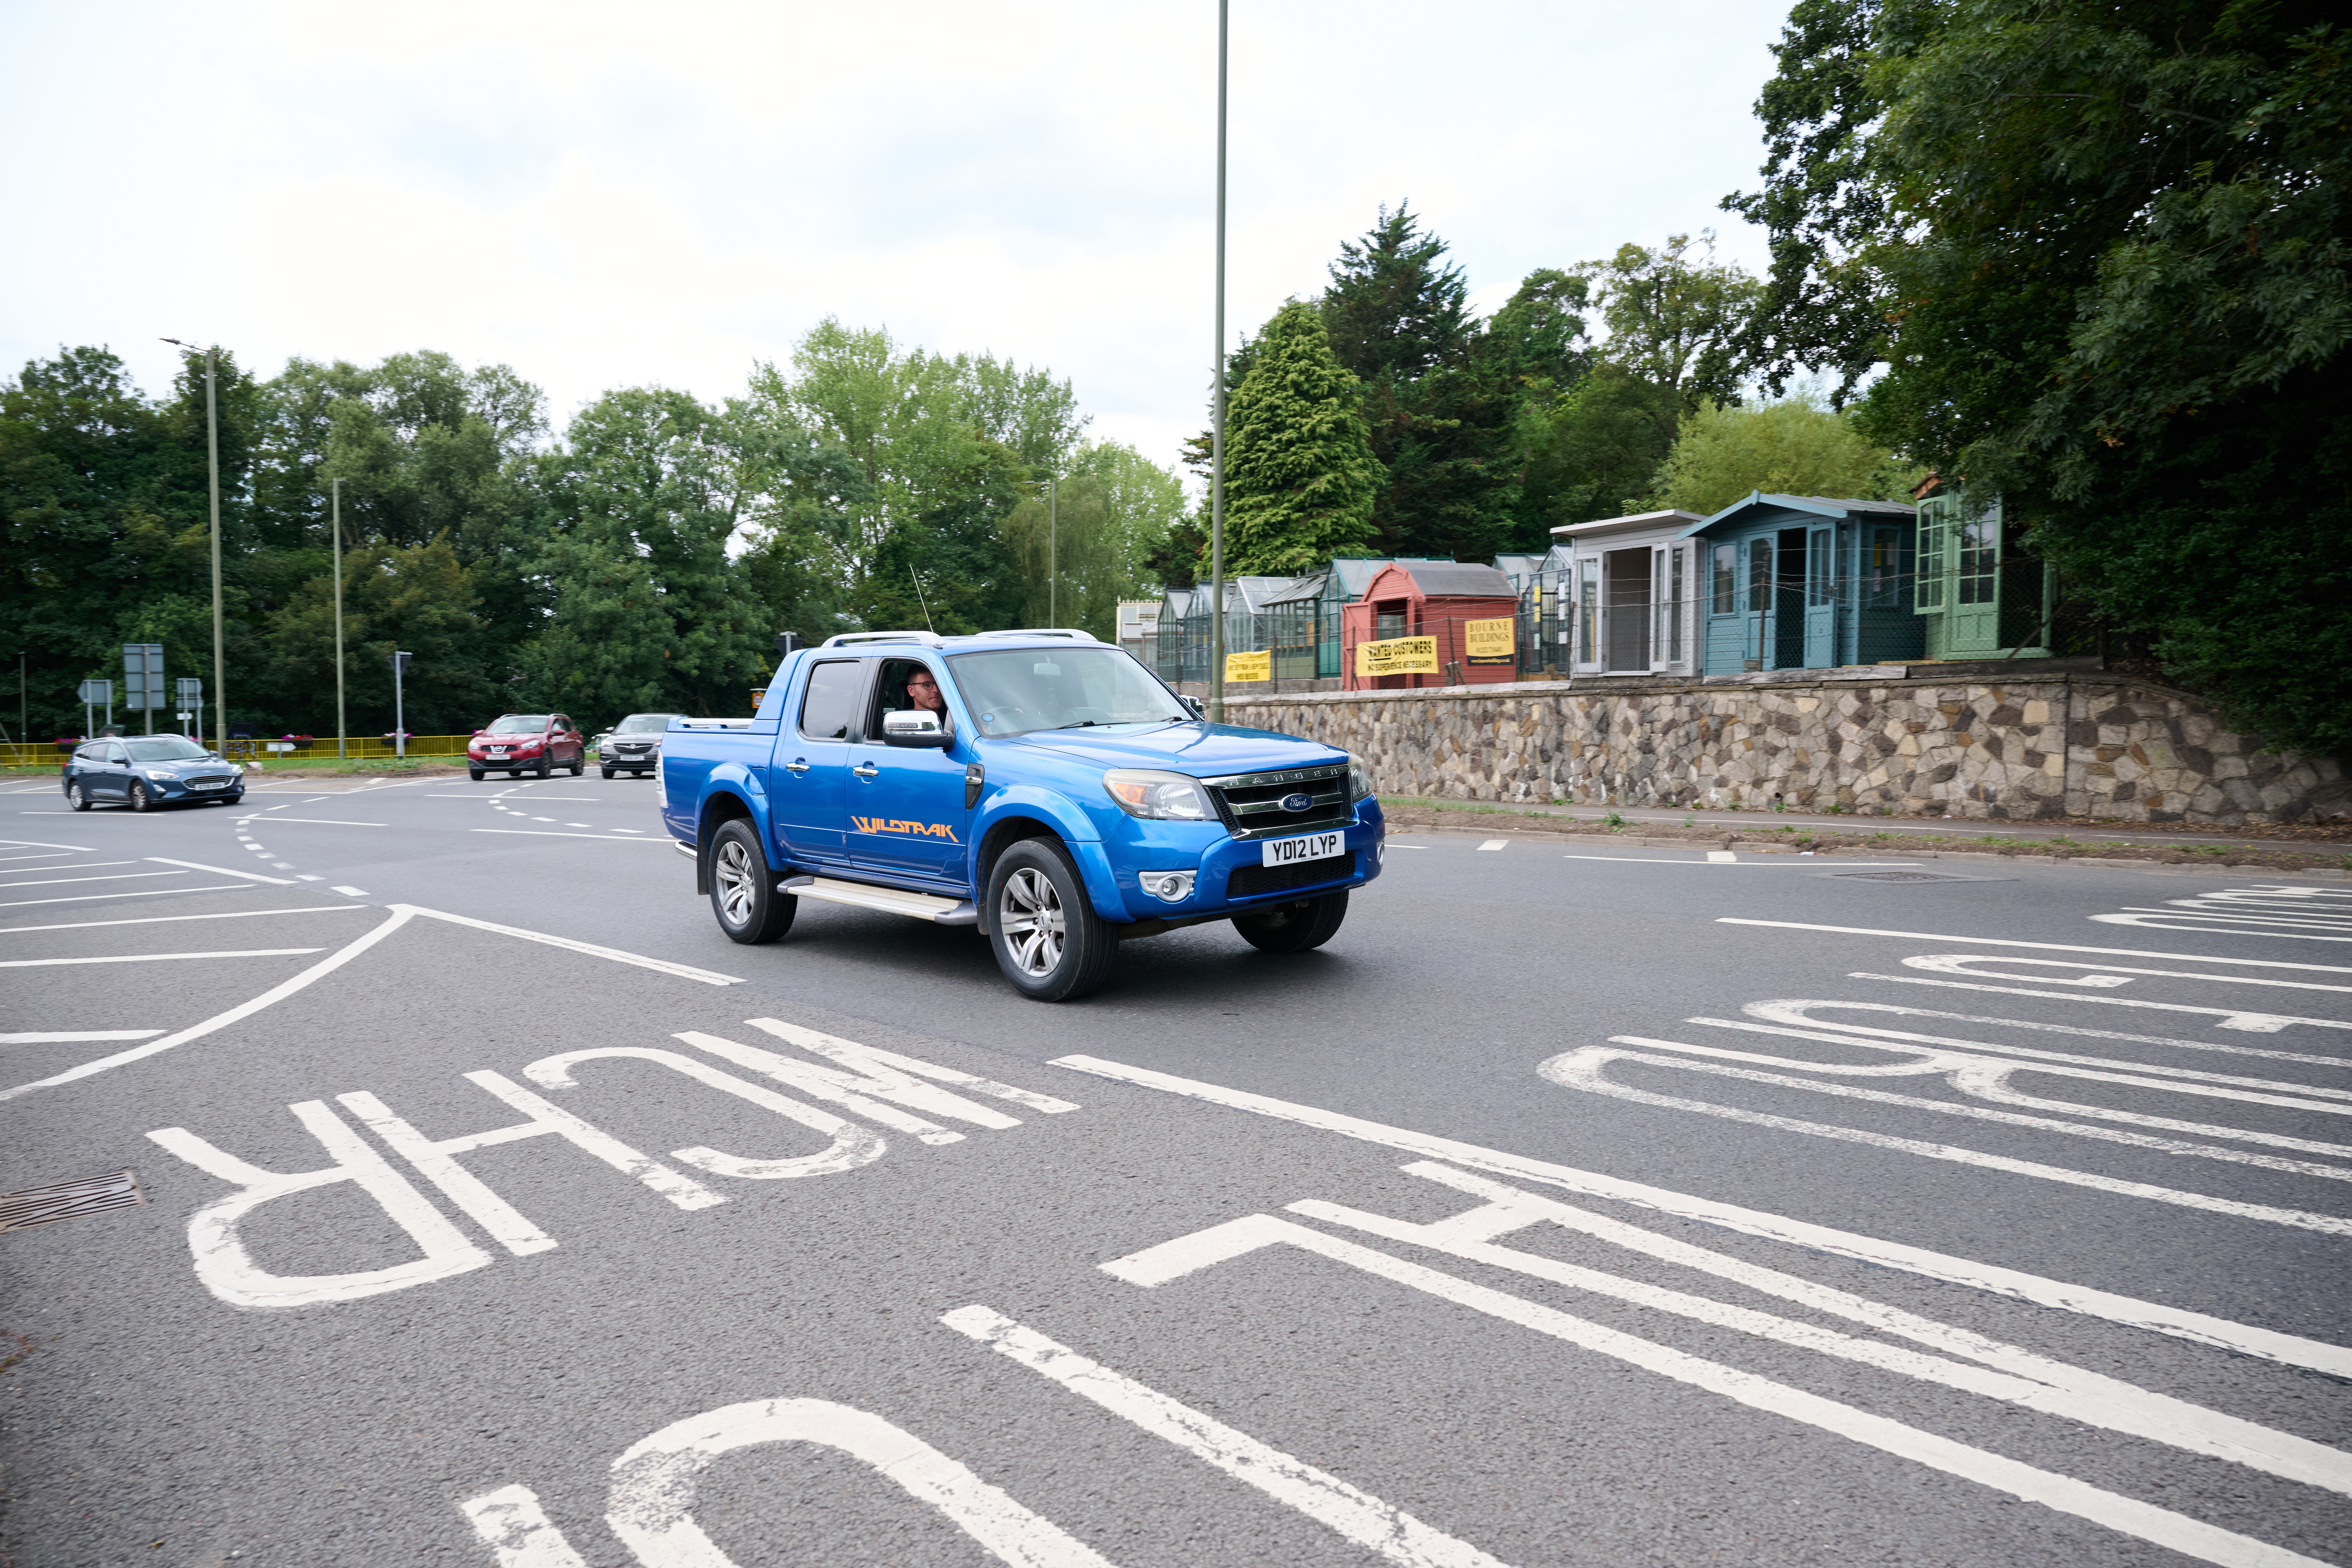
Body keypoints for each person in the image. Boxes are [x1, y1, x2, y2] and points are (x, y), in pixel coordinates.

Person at [904, 666, 953, 738]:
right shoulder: (906, 726)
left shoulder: (953, 721)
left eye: (938, 684)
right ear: (912, 691)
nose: (936, 690)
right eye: (927, 685)